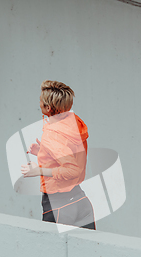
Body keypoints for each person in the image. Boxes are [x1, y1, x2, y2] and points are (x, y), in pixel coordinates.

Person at [21, 80, 95, 230]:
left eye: (41, 101)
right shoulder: (73, 123)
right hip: (80, 200)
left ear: (48, 107)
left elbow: (72, 170)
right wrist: (43, 151)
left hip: (59, 205)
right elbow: (67, 151)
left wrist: (38, 170)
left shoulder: (52, 134)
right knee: (86, 252)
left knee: (52, 252)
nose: (39, 103)